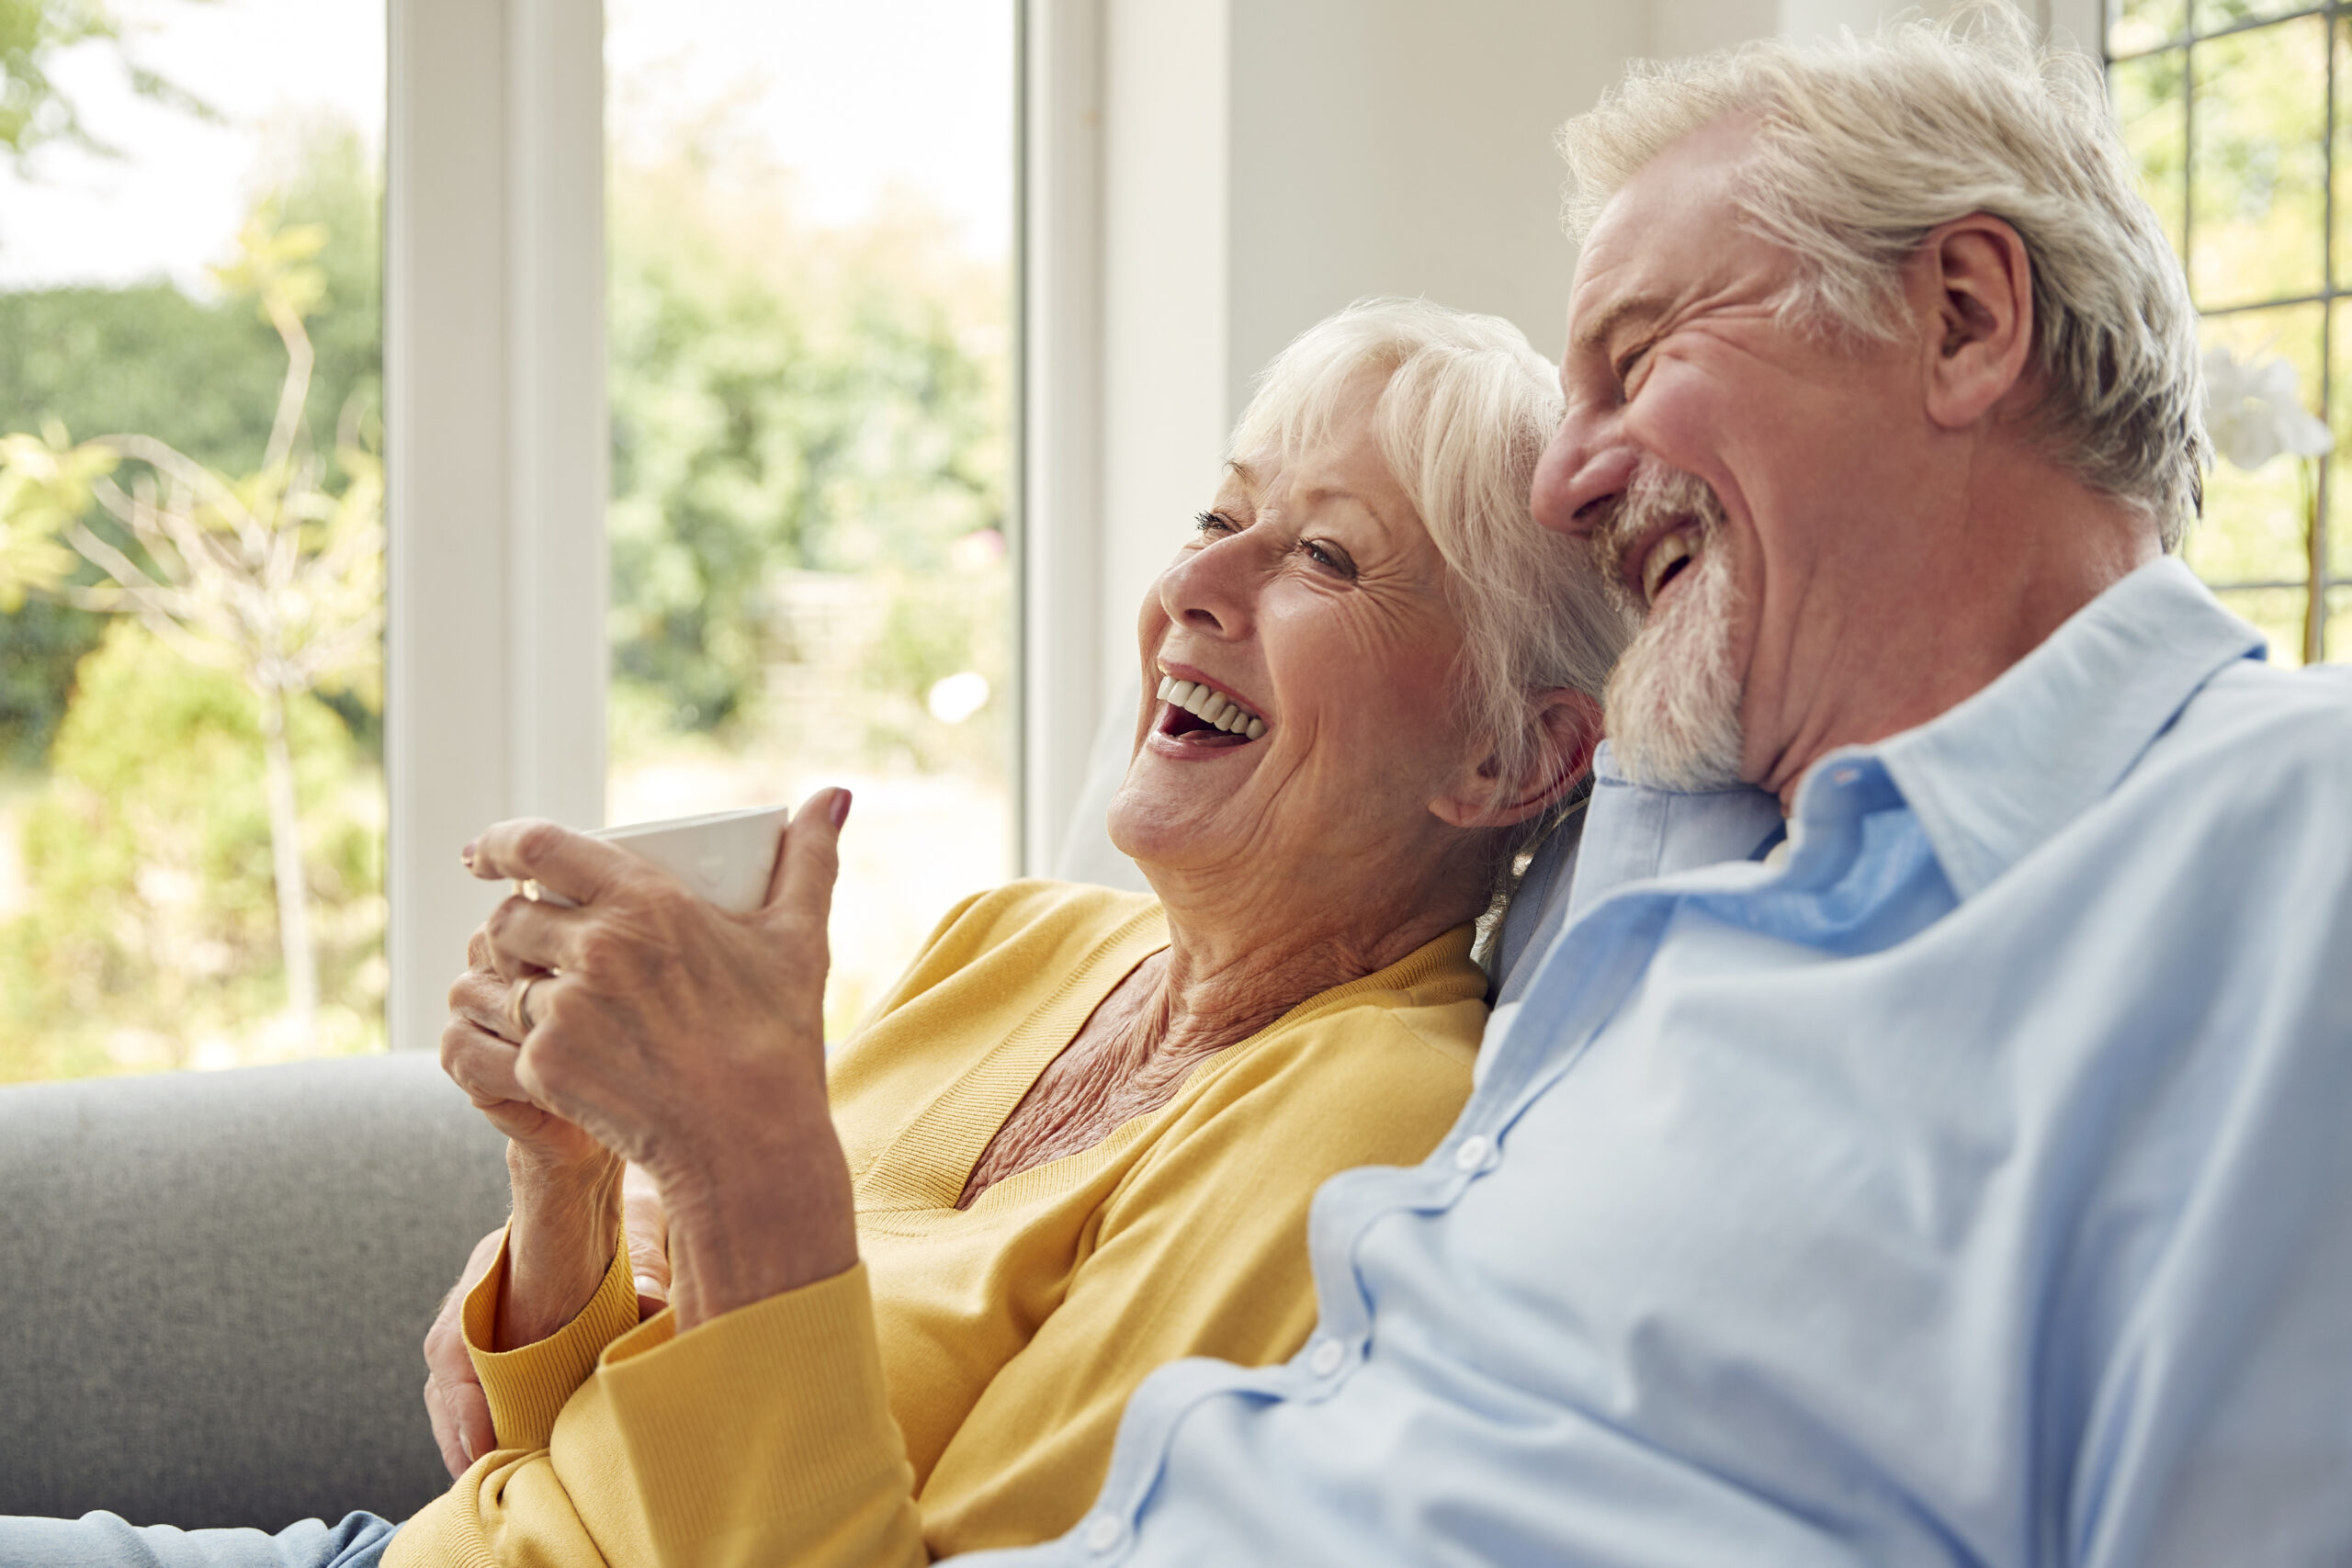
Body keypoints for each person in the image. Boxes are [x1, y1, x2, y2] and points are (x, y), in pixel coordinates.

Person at [437, 11, 2346, 1565]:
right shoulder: (1674, 870)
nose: (1561, 478)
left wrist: (738, 1165)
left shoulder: (2272, 848)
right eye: (1217, 519)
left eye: (1637, 352)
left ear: (1959, 318)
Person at [0, 299, 1626, 1565]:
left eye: (1327, 558)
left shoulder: (1367, 1117)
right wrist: (565, 1171)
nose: (1198, 590)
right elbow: (556, 1462)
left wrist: (732, 1156)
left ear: (1509, 758)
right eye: (1220, 519)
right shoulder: (1023, 943)